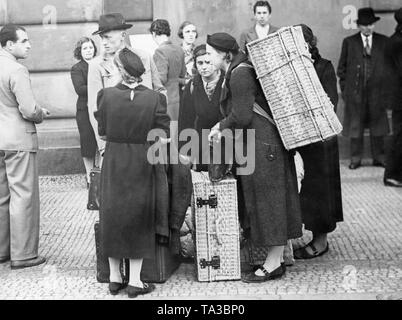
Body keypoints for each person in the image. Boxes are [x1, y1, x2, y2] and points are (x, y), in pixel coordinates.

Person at [207, 33, 302, 282]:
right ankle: (275, 260)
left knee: (269, 204)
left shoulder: (239, 74)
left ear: (224, 54)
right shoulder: (240, 69)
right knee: (271, 203)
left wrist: (220, 126)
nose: (208, 57)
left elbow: (242, 115)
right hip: (262, 144)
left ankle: (272, 265)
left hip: (262, 147)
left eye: (210, 53)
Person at [94, 48, 170, 298]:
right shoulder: (155, 98)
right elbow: (161, 134)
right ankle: (136, 281)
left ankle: (115, 278)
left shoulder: (105, 96)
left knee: (113, 213)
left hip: (114, 159)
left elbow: (103, 132)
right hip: (141, 159)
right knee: (139, 214)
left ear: (121, 70)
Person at [0, 24, 50, 269]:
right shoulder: (17, 69)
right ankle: (23, 254)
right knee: (23, 196)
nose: (29, 45)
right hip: (18, 139)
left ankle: (2, 250)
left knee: (1, 197)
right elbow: (29, 109)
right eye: (24, 41)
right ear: (9, 45)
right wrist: (41, 113)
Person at [293, 25, 344, 259]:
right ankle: (313, 236)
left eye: (302, 42)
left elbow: (330, 102)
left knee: (321, 191)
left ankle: (321, 241)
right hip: (301, 140)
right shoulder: (293, 68)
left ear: (311, 43)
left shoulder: (324, 67)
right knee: (307, 190)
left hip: (321, 141)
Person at [88, 13, 165, 157]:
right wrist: (103, 147)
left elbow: (159, 91)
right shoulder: (96, 65)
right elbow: (94, 107)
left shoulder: (144, 57)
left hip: (147, 138)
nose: (104, 42)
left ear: (123, 35)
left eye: (108, 37)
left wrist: (159, 130)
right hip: (115, 142)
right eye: (101, 37)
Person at [337, 7, 390, 170]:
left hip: (378, 93)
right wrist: (346, 92)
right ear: (359, 26)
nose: (368, 27)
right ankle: (355, 159)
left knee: (378, 126)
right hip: (356, 94)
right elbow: (341, 69)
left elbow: (391, 68)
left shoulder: (384, 42)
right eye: (365, 24)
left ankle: (379, 158)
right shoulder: (350, 42)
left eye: (371, 24)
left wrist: (386, 91)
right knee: (355, 127)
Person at [178, 44, 225, 171]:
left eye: (208, 62)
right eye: (200, 63)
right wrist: (185, 150)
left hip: (226, 141)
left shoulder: (227, 82)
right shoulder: (193, 85)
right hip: (202, 143)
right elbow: (185, 119)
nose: (204, 67)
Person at [70, 37, 98, 187]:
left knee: (101, 141)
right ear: (80, 52)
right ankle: (89, 177)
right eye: (85, 48)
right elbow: (80, 89)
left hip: (101, 108)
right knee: (88, 143)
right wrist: (99, 87)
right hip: (84, 110)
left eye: (91, 47)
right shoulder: (77, 68)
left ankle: (99, 173)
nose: (89, 51)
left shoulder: (101, 64)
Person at [151, 19, 186, 123]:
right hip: (179, 98)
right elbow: (182, 74)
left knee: (167, 133)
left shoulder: (159, 51)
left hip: (166, 99)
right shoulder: (179, 49)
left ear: (154, 33)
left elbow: (161, 78)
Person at [383, 8, 402, 188]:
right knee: (398, 137)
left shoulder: (394, 40)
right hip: (400, 99)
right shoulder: (397, 43)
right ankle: (391, 175)